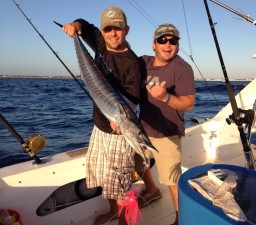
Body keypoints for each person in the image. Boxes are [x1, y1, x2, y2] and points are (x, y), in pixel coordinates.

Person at [62, 7, 145, 225]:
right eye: (108, 29)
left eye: (117, 29)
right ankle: (112, 211)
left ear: (126, 30)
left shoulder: (133, 65)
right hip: (99, 126)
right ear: (103, 30)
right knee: (104, 176)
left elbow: (132, 104)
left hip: (119, 133)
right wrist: (75, 26)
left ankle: (123, 221)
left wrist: (120, 122)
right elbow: (84, 25)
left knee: (121, 182)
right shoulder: (100, 40)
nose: (113, 34)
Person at [135, 23, 195, 225]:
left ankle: (181, 217)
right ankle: (152, 190)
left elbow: (189, 103)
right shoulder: (142, 62)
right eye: (162, 40)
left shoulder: (183, 69)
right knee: (137, 163)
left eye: (173, 41)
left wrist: (166, 97)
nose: (167, 44)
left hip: (167, 133)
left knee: (171, 179)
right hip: (142, 129)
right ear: (154, 44)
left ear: (177, 45)